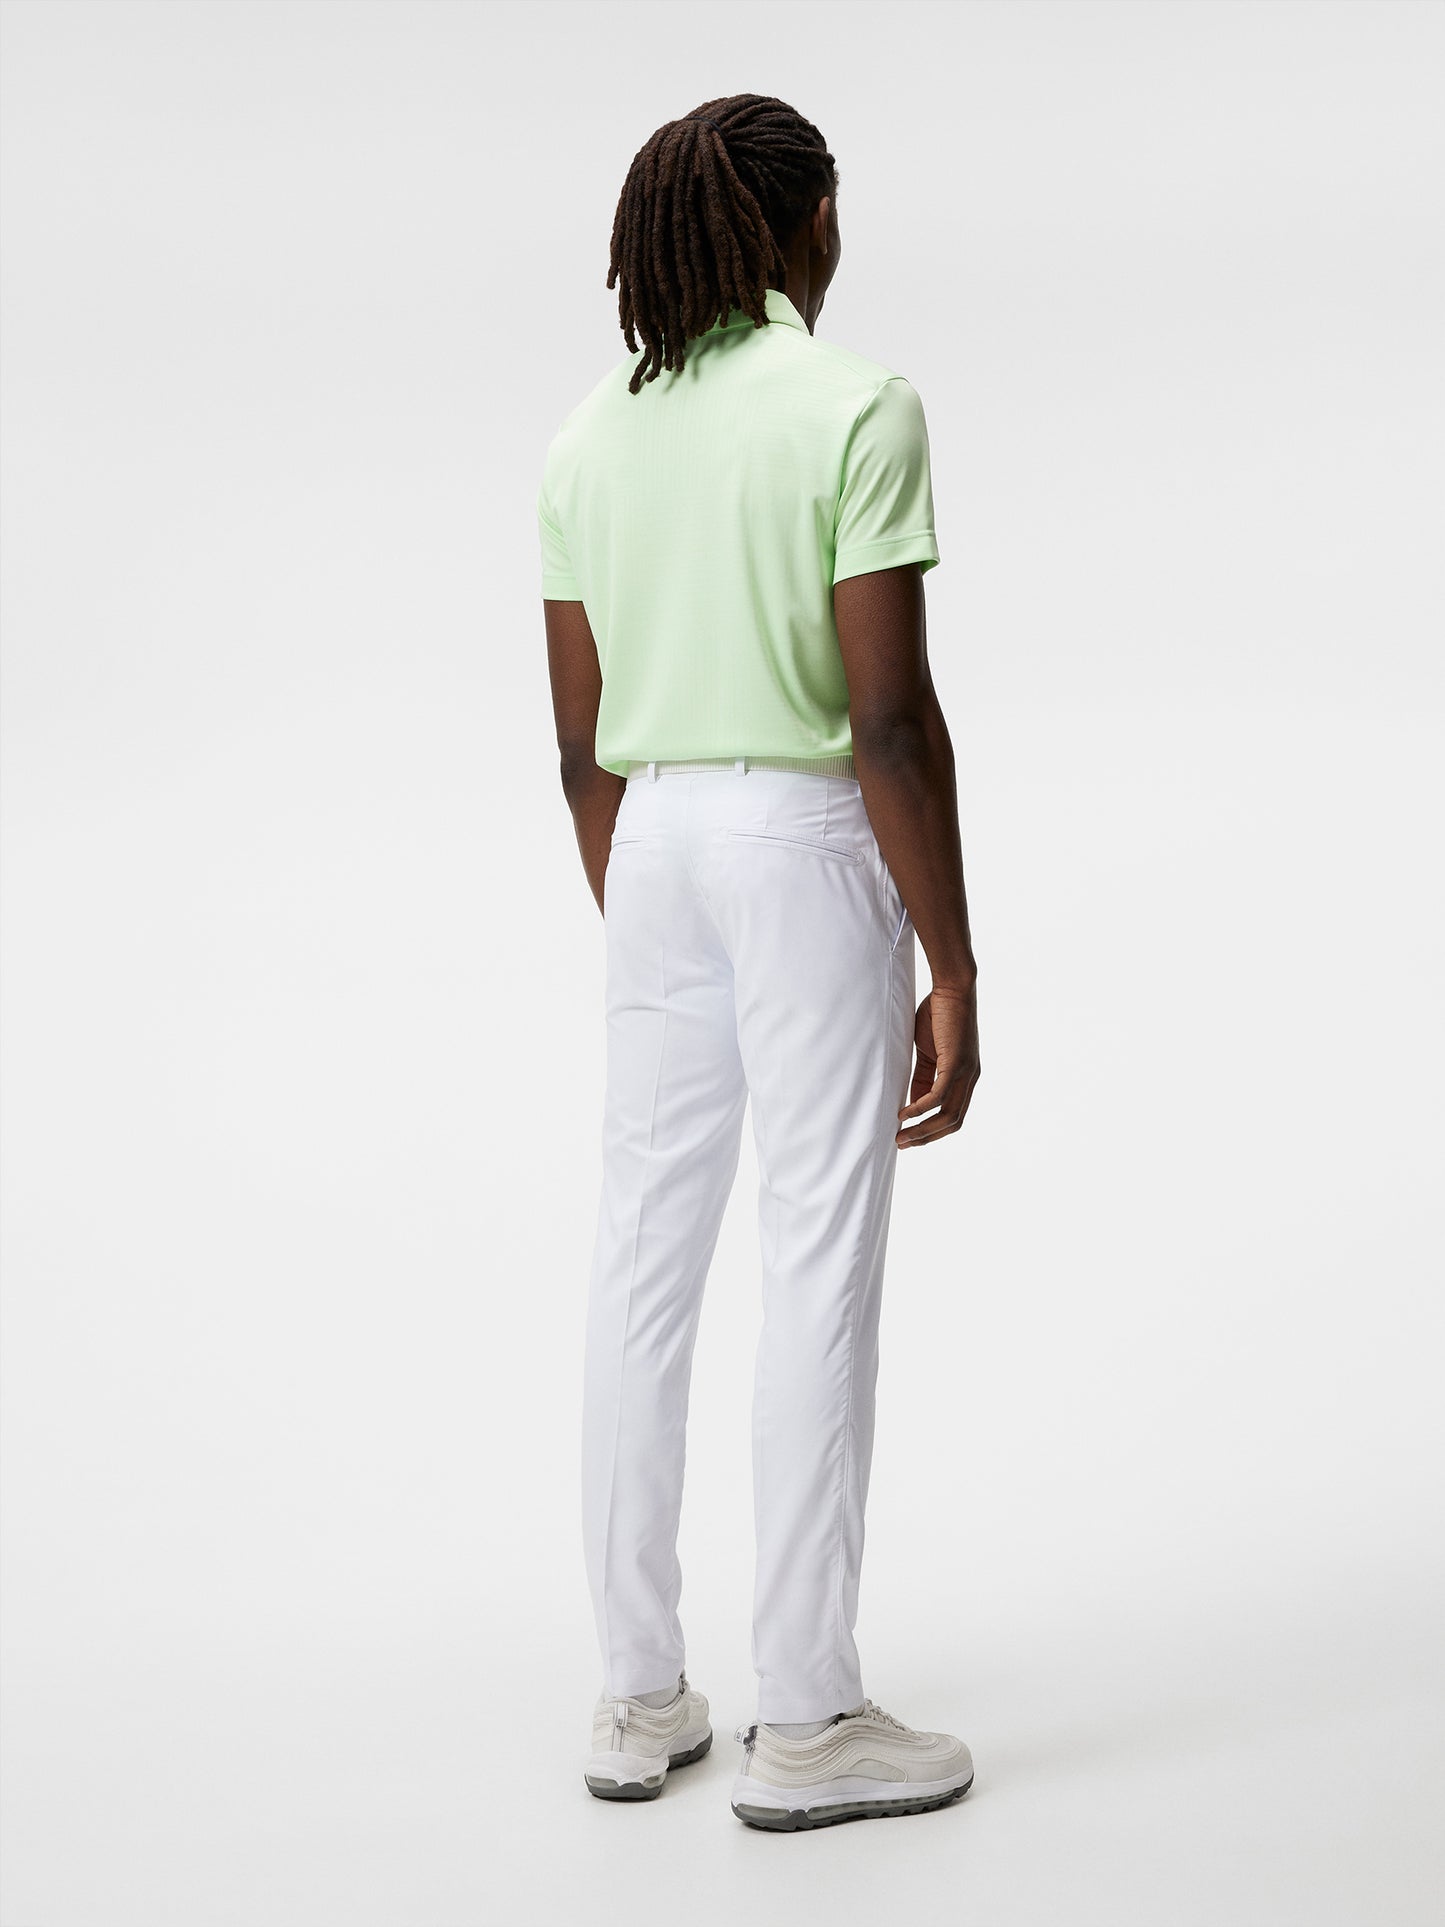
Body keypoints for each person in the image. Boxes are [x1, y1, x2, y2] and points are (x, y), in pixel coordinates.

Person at [538, 93, 981, 1832]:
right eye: (830, 215)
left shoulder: (586, 440)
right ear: (802, 229)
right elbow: (889, 719)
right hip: (805, 834)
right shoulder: (858, 406)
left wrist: (654, 905)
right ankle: (805, 1715)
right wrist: (950, 961)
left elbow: (576, 748)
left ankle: (636, 1693)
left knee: (642, 1258)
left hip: (647, 841)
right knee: (814, 1258)